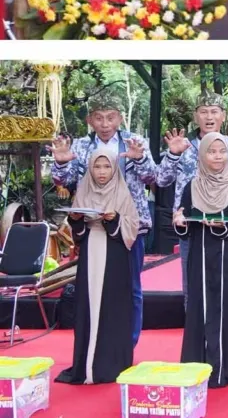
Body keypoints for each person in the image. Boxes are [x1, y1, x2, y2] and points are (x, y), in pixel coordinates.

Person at [50, 91, 157, 347]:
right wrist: (62, 163)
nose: (105, 124)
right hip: (92, 226)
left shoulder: (134, 142)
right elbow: (64, 181)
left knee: (131, 287)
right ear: (90, 120)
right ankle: (96, 342)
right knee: (93, 284)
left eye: (110, 118)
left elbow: (153, 177)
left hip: (129, 226)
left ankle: (127, 343)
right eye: (99, 118)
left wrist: (139, 159)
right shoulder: (80, 146)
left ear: (120, 119)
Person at [157, 91, 228, 308]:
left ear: (223, 116)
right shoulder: (183, 146)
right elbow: (161, 180)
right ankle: (197, 338)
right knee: (193, 290)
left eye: (214, 111)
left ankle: (224, 338)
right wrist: (173, 154)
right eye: (203, 112)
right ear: (196, 116)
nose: (209, 117)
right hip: (192, 229)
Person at [173, 133, 228, 389]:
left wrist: (222, 227)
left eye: (222, 151)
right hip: (200, 257)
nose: (217, 156)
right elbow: (185, 223)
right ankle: (201, 366)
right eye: (212, 151)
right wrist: (179, 223)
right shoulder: (192, 186)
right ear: (202, 155)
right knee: (200, 307)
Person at [55, 152, 139, 385]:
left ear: (114, 169)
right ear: (90, 169)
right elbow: (78, 234)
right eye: (97, 167)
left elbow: (132, 227)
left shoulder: (122, 192)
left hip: (115, 256)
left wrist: (114, 219)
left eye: (106, 167)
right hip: (91, 251)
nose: (102, 172)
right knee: (88, 305)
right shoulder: (84, 189)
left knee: (112, 306)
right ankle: (86, 365)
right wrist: (76, 219)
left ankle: (111, 364)